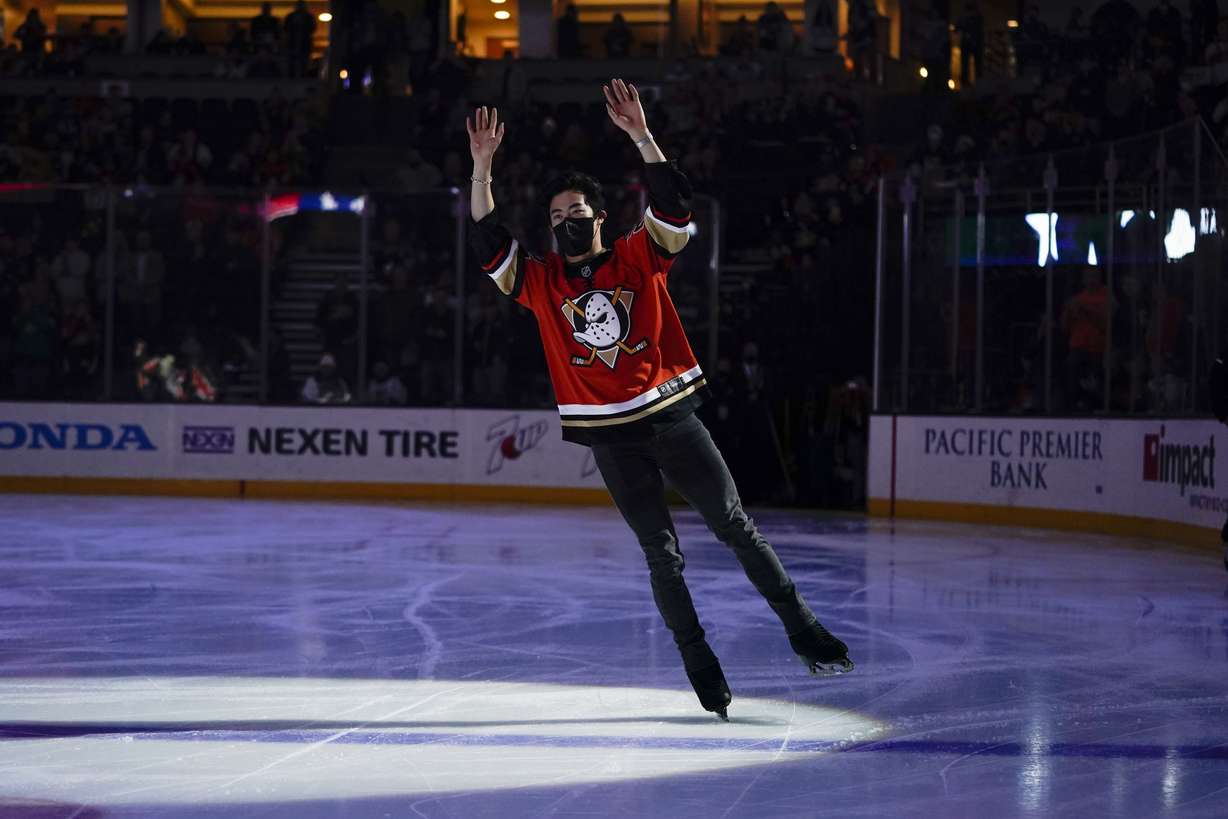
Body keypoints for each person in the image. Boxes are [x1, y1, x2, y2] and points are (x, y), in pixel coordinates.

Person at [464, 83, 853, 720]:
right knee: (661, 555)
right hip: (611, 438)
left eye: (577, 213)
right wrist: (483, 168)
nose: (567, 223)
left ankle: (802, 625)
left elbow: (672, 204)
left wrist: (642, 136)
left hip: (671, 416)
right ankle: (699, 661)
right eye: (557, 218)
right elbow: (487, 238)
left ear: (599, 215)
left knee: (734, 526)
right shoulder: (541, 282)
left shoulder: (638, 256)